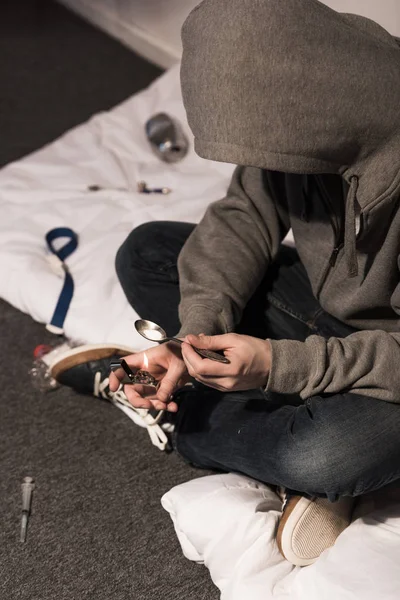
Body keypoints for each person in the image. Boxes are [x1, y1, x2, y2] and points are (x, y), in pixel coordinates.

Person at [56, 0, 400, 566]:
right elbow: (244, 214)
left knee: (326, 457)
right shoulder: (316, 103)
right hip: (335, 320)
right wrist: (195, 338)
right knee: (148, 252)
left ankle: (189, 420)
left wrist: (278, 366)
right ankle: (250, 413)